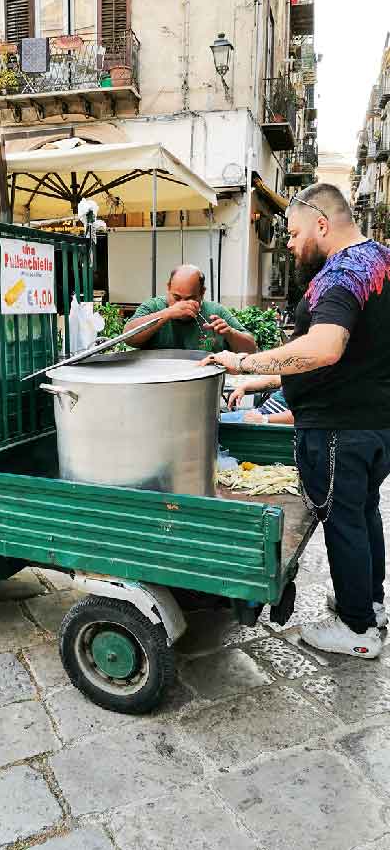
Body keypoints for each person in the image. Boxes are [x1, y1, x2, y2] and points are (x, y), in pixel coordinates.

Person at [201, 182, 390, 659]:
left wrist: (243, 364)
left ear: (322, 224)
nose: (287, 242)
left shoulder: (339, 274)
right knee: (363, 510)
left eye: (292, 231)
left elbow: (324, 349)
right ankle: (369, 601)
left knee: (342, 519)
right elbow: (354, 355)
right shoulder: (382, 260)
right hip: (376, 423)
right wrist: (264, 383)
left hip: (338, 429)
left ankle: (358, 629)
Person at [123, 265, 257, 354]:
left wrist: (231, 333)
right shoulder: (154, 307)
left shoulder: (215, 311)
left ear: (202, 293)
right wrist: (167, 313)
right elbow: (128, 337)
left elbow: (251, 349)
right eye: (176, 297)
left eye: (190, 298)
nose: (182, 304)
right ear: (168, 288)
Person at [221, 377, 293, 425]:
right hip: (261, 413)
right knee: (214, 420)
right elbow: (275, 380)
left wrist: (263, 419)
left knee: (212, 423)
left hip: (268, 422)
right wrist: (243, 387)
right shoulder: (298, 371)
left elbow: (300, 415)